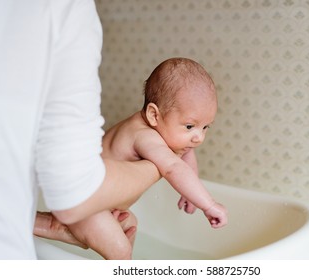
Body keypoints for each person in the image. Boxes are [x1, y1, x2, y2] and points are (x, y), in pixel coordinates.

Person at [0, 0, 160, 259]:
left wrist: (44, 223)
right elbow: (77, 194)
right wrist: (161, 166)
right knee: (121, 251)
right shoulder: (62, 7)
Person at [67, 57, 228, 259]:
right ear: (154, 115)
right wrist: (209, 205)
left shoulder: (167, 132)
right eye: (190, 126)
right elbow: (173, 168)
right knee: (120, 250)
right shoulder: (143, 136)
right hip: (86, 204)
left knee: (130, 226)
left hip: (103, 205)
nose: (199, 137)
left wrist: (190, 192)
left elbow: (186, 156)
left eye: (205, 127)